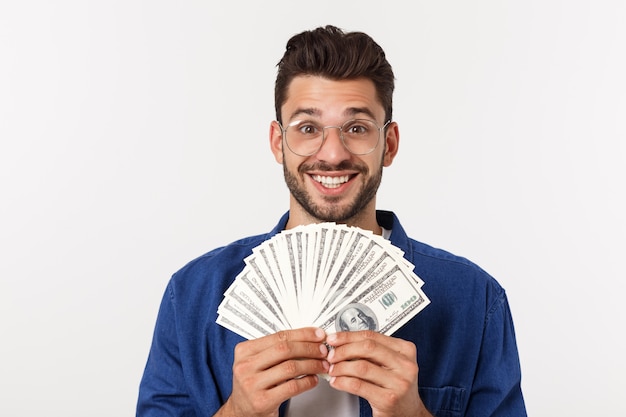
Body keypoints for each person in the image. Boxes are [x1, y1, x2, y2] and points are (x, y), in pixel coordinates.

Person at [137, 25, 527, 417]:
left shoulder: (476, 300)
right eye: (308, 128)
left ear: (388, 145)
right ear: (278, 142)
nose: (333, 153)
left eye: (356, 128)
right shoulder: (190, 296)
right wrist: (237, 411)